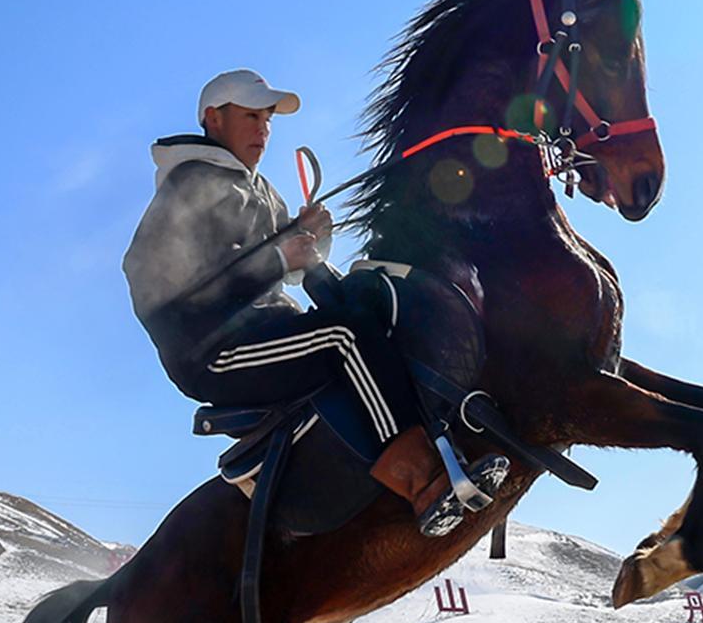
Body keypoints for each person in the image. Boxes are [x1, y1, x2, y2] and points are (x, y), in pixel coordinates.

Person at [123, 68, 502, 536]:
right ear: (212, 119)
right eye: (250, 115)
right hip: (209, 353)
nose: (262, 128)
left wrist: (311, 245)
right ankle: (425, 482)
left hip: (261, 333)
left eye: (267, 118)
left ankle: (447, 443)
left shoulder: (263, 193)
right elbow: (152, 280)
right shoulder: (189, 185)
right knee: (345, 338)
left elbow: (290, 269)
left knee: (365, 316)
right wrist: (281, 257)